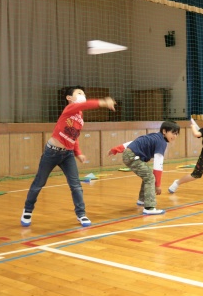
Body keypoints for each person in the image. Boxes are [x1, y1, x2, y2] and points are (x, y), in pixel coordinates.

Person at [21, 86, 116, 227]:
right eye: (79, 93)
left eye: (83, 93)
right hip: (51, 153)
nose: (82, 95)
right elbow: (85, 104)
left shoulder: (80, 115)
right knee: (39, 183)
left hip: (68, 155)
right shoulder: (69, 109)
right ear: (69, 98)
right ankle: (27, 210)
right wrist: (102, 102)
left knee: (76, 185)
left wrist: (78, 153)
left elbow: (74, 136)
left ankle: (81, 214)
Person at [108, 121, 181, 215]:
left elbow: (134, 142)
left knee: (147, 175)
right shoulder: (161, 142)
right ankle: (149, 207)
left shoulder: (154, 136)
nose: (174, 136)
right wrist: (157, 185)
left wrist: (116, 149)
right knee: (150, 177)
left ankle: (141, 200)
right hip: (132, 156)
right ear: (164, 131)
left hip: (129, 155)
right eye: (173, 133)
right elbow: (158, 165)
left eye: (176, 134)